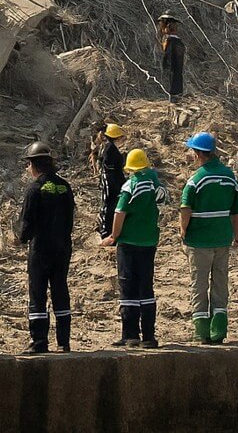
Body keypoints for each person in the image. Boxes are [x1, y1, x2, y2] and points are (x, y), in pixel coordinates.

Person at [179, 132, 238, 344]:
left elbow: (185, 208)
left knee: (199, 284)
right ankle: (219, 330)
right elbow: (236, 210)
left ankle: (201, 331)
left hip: (199, 241)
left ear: (198, 154)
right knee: (220, 284)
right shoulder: (229, 176)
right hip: (222, 239)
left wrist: (183, 231)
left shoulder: (196, 179)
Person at [101, 147, 167, 349]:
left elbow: (119, 212)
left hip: (129, 243)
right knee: (146, 288)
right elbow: (162, 204)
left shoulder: (131, 185)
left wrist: (113, 235)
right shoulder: (156, 185)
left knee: (128, 287)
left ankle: (130, 335)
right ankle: (149, 336)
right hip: (149, 242)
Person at [18, 142, 75, 354]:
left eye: (28, 164)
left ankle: (39, 341)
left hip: (41, 248)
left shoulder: (34, 189)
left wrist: (22, 239)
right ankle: (64, 342)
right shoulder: (65, 187)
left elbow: (26, 221)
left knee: (38, 293)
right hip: (62, 247)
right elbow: (70, 218)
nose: (27, 169)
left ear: (34, 165)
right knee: (60, 289)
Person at [91, 123, 127, 239]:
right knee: (108, 205)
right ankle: (105, 230)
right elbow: (109, 170)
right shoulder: (110, 149)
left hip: (113, 182)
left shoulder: (108, 147)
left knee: (111, 205)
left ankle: (108, 228)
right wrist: (114, 185)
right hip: (111, 183)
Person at [157, 13, 185, 102]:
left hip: (172, 74)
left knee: (172, 72)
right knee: (176, 73)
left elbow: (168, 61)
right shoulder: (178, 42)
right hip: (176, 74)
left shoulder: (171, 41)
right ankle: (176, 95)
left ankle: (173, 96)